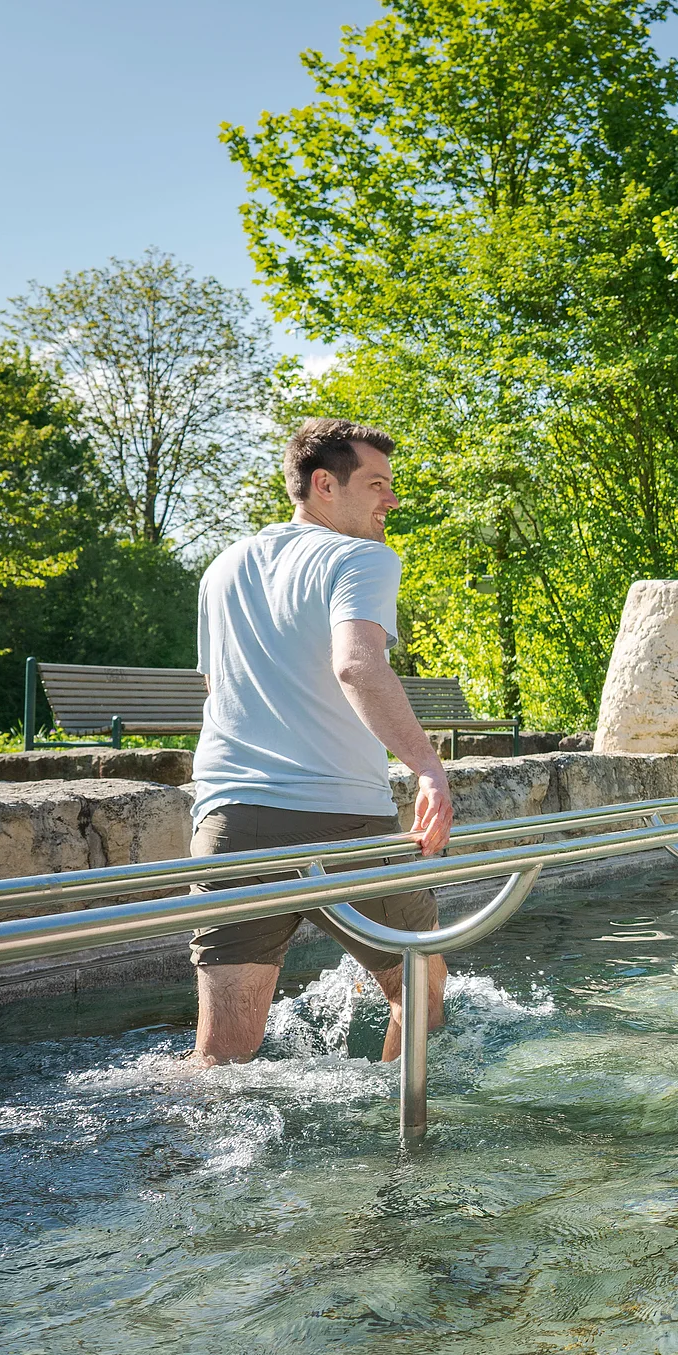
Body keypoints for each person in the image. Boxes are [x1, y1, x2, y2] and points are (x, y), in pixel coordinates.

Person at [186, 418, 456, 1066]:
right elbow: (358, 663)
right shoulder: (362, 557)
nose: (391, 500)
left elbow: (214, 686)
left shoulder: (223, 567)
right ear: (324, 484)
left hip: (230, 822)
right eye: (378, 484)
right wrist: (427, 767)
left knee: (221, 1057)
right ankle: (392, 1143)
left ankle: (176, 1165)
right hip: (342, 821)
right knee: (422, 991)